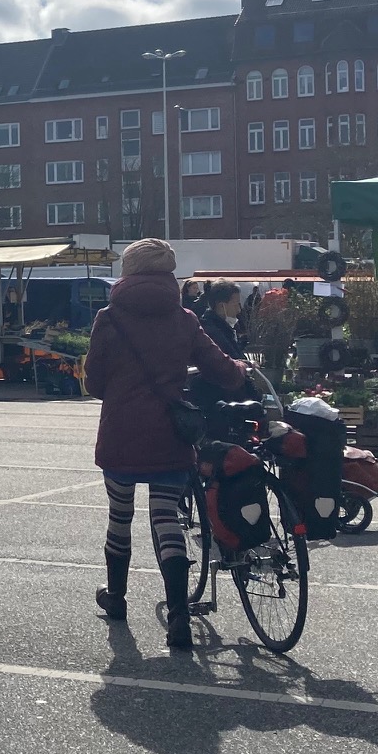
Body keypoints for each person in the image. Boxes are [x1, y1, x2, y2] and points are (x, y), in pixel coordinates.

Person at [83, 237, 247, 648]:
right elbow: (221, 371)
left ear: (129, 272)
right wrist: (240, 370)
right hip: (170, 436)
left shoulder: (109, 317)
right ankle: (178, 617)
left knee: (120, 517)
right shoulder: (184, 318)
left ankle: (117, 598)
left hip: (120, 434)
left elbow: (95, 382)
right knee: (166, 519)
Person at [196, 281, 245, 360]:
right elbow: (231, 360)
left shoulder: (223, 328)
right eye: (236, 305)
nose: (238, 310)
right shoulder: (211, 332)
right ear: (222, 306)